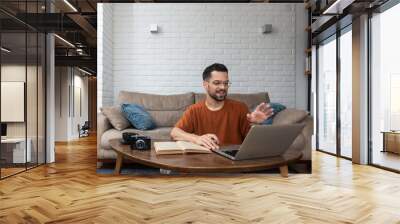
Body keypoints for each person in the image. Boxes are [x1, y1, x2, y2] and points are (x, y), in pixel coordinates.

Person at [170, 63, 274, 150]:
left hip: (233, 162)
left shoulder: (240, 108)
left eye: (226, 83)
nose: (223, 87)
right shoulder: (194, 110)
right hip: (204, 161)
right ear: (206, 85)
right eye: (217, 83)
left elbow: (254, 143)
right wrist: (196, 138)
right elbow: (174, 133)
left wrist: (257, 125)